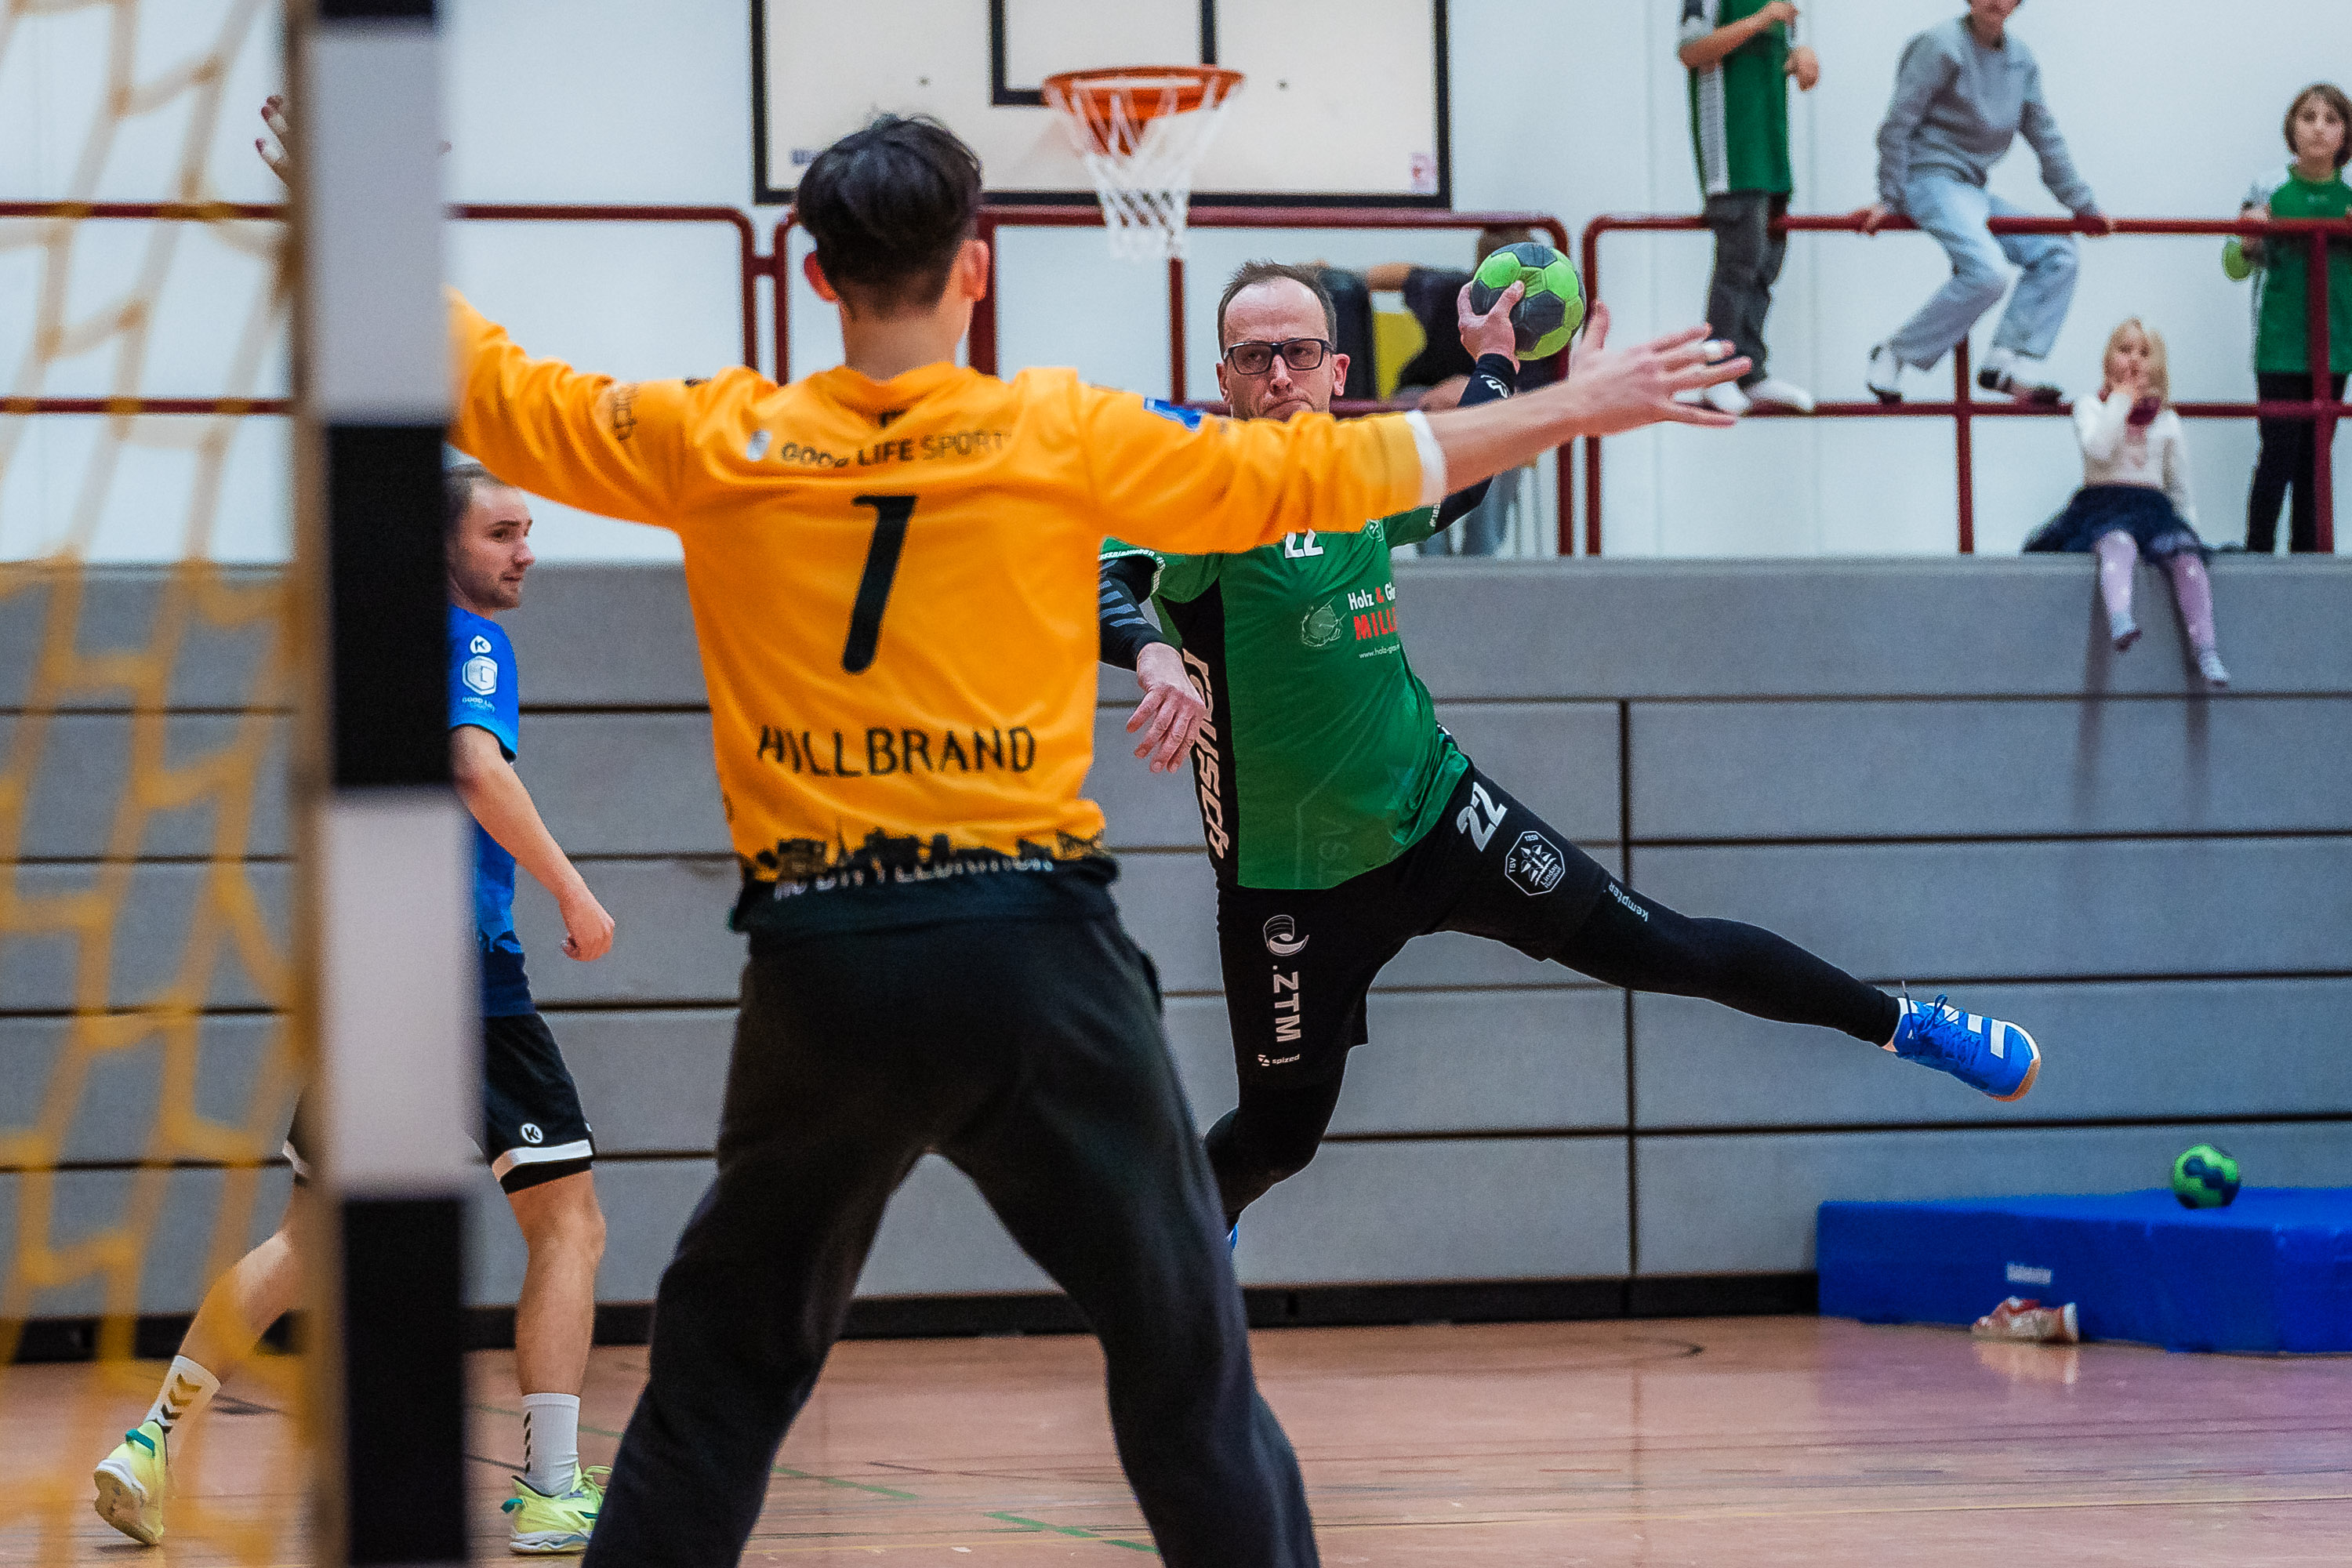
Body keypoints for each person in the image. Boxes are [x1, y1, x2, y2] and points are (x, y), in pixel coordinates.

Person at [427, 110, 1747, 1567]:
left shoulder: (717, 437)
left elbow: (492, 384)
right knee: (1188, 1379)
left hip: (823, 964)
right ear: (975, 266)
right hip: (1034, 958)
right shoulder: (1061, 429)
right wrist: (1571, 400)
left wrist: (353, 193)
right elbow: (1340, 471)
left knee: (715, 1395)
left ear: (814, 275)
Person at [1098, 261, 2044, 1240]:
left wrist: (1496, 362)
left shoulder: (1361, 471)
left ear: (1338, 371)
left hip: (1439, 817)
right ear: (1224, 376)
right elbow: (1098, 580)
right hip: (1288, 884)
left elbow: (1465, 470)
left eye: (1298, 352)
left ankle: (1905, 1023)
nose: (1278, 374)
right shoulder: (1200, 495)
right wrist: (1153, 650)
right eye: (1255, 356)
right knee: (1278, 1140)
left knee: (1667, 947)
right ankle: (1193, 1232)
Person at [93, 462, 618, 1554]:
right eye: (502, 532)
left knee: (310, 1236)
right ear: (443, 545)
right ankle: (552, 1489)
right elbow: (476, 767)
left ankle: (147, 1444)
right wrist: (573, 889)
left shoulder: (372, 651)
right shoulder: (472, 643)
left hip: (369, 970)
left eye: (530, 531)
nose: (526, 551)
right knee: (567, 1221)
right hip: (465, 977)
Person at [1857, 0, 2109, 406]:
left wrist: (2084, 207)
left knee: (2059, 251)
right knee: (1988, 272)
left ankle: (2005, 362)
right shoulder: (1940, 46)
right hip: (1927, 179)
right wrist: (1889, 197)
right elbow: (1897, 124)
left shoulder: (2021, 61)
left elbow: (2046, 138)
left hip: (1971, 189)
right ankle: (1896, 353)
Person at [2025, 320, 2227, 685]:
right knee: (2117, 544)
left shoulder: (2167, 421)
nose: (2134, 359)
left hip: (2152, 508)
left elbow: (2180, 486)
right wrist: (2119, 401)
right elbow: (2099, 450)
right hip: (2103, 505)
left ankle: (2206, 649)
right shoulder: (2091, 406)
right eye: (2124, 350)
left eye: (2144, 353)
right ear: (2108, 358)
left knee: (2186, 558)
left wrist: (2190, 530)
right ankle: (2120, 618)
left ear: (2157, 364)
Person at [1363, 230, 1555, 557]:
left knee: (1505, 428)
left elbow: (1541, 401)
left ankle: (1480, 560)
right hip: (1426, 399)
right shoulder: (1453, 290)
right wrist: (1336, 280)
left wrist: (1472, 390)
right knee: (1414, 419)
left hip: (1501, 412)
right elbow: (1396, 274)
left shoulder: (1546, 319)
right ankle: (1434, 558)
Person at [1678, 0, 1821, 416]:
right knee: (1738, 263)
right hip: (1734, 154)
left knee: (1766, 265)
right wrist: (1760, 19)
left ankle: (1750, 370)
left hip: (1771, 151)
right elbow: (1692, 50)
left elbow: (1776, 55)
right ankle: (1715, 371)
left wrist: (1801, 58)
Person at [2234, 82, 2352, 554]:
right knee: (2278, 452)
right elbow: (2233, 264)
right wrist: (2248, 240)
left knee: (2316, 460)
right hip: (2279, 344)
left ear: (2345, 134)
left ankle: (2312, 561)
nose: (2319, 128)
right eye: (2308, 117)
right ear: (2291, 128)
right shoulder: (2267, 187)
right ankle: (2257, 556)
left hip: (2335, 346)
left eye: (2331, 119)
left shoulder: (2351, 196)